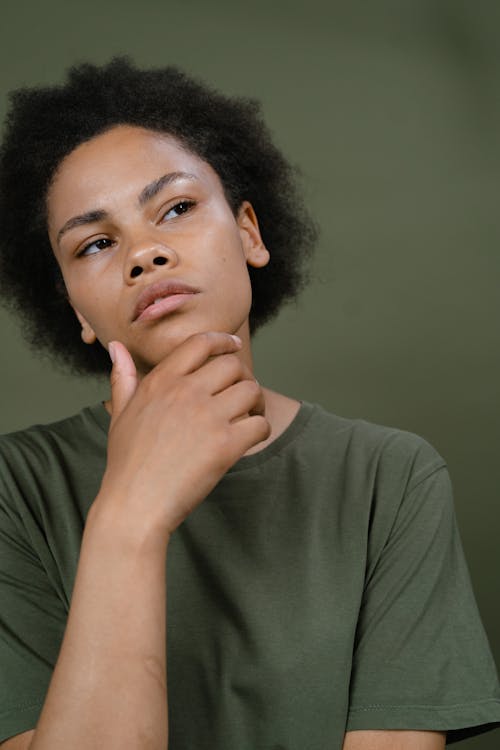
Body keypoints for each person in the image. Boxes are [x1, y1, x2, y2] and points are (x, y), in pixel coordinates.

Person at [0, 58, 498, 750]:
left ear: (250, 234)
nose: (144, 254)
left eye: (175, 208)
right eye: (96, 244)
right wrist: (129, 518)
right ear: (76, 310)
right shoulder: (15, 490)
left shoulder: (392, 479)